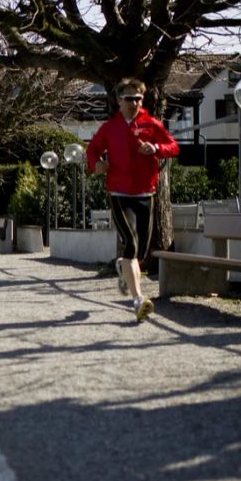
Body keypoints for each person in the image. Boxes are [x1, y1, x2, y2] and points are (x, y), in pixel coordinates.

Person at [86, 77, 179, 322]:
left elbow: (173, 146)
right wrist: (97, 165)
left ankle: (123, 268)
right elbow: (92, 150)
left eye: (138, 99)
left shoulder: (152, 124)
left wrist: (156, 149)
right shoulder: (109, 128)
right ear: (118, 100)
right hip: (118, 192)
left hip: (145, 192)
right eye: (129, 99)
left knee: (141, 251)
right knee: (129, 242)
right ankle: (138, 300)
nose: (134, 103)